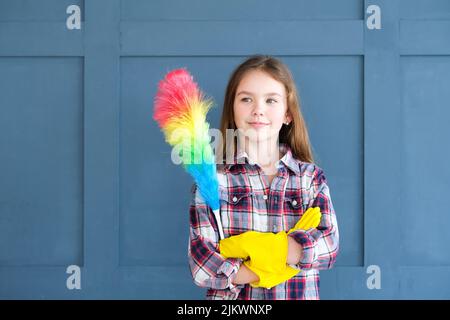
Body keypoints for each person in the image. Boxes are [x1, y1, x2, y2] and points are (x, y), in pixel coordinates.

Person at [188, 55, 339, 300]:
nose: (258, 109)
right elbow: (202, 267)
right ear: (233, 109)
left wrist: (266, 251)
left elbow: (329, 248)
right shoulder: (212, 182)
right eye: (246, 99)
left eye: (271, 100)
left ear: (287, 114)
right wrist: (277, 261)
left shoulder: (310, 179)